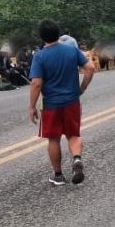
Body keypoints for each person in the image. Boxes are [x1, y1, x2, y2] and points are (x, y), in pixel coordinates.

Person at [29, 20, 95, 186]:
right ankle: (77, 159)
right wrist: (82, 88)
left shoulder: (40, 56)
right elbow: (90, 67)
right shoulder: (72, 50)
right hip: (72, 101)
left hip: (51, 104)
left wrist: (31, 106)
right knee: (73, 134)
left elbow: (36, 83)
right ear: (58, 33)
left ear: (41, 36)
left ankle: (58, 175)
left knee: (53, 139)